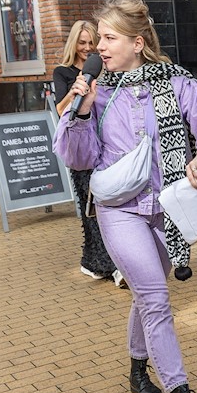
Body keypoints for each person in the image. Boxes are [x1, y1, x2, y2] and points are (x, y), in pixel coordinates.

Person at [56, 0, 197, 393]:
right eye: (99, 39)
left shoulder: (175, 82)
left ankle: (138, 369)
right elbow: (79, 158)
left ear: (137, 42)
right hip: (119, 212)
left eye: (109, 38)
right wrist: (79, 108)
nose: (100, 47)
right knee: (155, 299)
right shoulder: (96, 95)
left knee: (146, 293)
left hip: (167, 209)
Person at [52, 19, 118, 284]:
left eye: (92, 42)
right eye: (82, 43)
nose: (88, 48)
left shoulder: (107, 66)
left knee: (108, 207)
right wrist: (78, 86)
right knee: (89, 208)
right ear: (73, 43)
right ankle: (97, 261)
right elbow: (60, 110)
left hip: (106, 143)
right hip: (79, 144)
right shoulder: (63, 72)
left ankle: (108, 261)